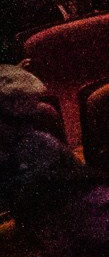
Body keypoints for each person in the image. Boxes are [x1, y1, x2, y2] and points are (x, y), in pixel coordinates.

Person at [0, 65, 70, 213]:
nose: (27, 130)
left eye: (30, 119)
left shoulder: (43, 142)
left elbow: (82, 184)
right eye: (16, 122)